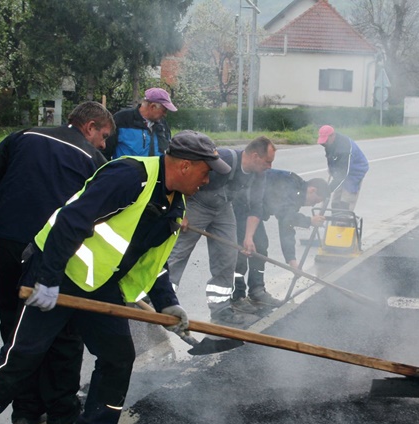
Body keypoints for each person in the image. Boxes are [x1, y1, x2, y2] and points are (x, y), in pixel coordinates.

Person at [0, 130, 230, 424]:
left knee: (118, 357)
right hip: (58, 270)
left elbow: (150, 260)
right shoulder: (131, 175)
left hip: (99, 284)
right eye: (206, 172)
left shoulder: (174, 202)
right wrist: (49, 278)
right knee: (22, 355)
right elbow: (71, 220)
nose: (207, 181)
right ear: (186, 166)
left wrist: (168, 305)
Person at [0, 101, 114, 424]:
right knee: (62, 332)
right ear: (90, 126)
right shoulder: (94, 161)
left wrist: (12, 207)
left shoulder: (23, 136)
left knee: (15, 328)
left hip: (8, 242)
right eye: (104, 135)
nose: (104, 144)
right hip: (51, 252)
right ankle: (62, 415)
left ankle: (26, 413)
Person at [167, 136, 276, 326]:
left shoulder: (259, 175)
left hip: (224, 208)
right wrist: (180, 211)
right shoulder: (224, 158)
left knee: (227, 256)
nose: (270, 166)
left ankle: (221, 310)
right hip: (196, 204)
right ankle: (162, 300)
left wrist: (249, 237)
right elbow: (182, 176)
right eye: (268, 161)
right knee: (179, 253)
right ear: (255, 156)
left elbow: (256, 206)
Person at [232, 170, 328, 310]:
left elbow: (286, 227)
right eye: (315, 201)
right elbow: (286, 216)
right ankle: (237, 296)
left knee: (260, 246)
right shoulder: (290, 186)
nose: (312, 205)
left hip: (253, 210)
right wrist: (309, 221)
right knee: (242, 251)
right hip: (240, 206)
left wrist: (292, 261)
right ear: (312, 190)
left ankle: (257, 291)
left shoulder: (296, 193)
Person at [103, 87, 177, 160]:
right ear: (153, 107)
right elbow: (104, 152)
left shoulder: (163, 125)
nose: (165, 114)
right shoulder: (122, 119)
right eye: (164, 110)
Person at [317, 125, 369, 211]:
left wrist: (328, 190)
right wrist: (332, 170)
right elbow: (330, 157)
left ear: (332, 135)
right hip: (342, 169)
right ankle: (335, 222)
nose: (324, 143)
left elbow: (344, 174)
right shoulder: (328, 143)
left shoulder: (344, 148)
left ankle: (345, 222)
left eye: (326, 140)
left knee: (345, 203)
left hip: (355, 171)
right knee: (335, 202)